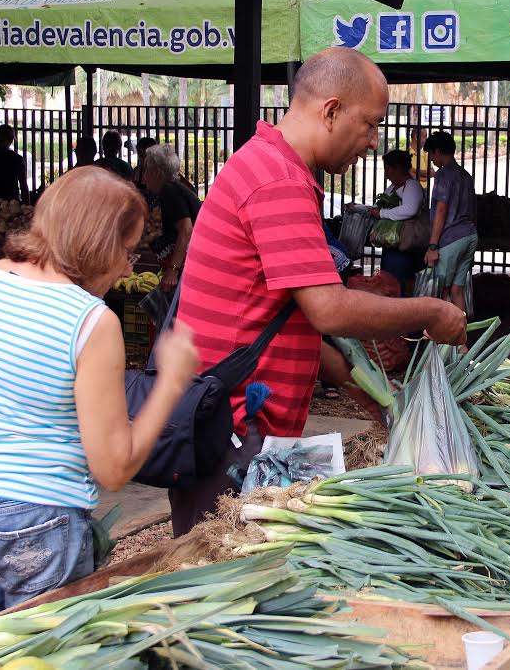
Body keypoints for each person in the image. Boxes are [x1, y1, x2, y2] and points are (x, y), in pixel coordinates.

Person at [174, 46, 466, 535]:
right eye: (371, 125)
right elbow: (328, 310)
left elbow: (294, 319)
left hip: (241, 427)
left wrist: (365, 390)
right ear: (330, 110)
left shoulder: (267, 165)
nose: (374, 142)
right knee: (220, 587)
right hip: (233, 434)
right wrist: (431, 312)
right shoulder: (278, 180)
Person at [0, 167, 198, 635]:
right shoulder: (89, 321)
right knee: (47, 652)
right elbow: (114, 467)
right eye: (126, 251)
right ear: (98, 243)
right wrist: (170, 385)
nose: (126, 268)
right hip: (36, 518)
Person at [424, 131, 478, 316]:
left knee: (442, 291)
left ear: (438, 151)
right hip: (470, 236)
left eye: (431, 154)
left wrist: (432, 246)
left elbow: (441, 210)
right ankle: (461, 343)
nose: (431, 159)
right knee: (457, 289)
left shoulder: (443, 174)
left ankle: (442, 342)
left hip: (451, 239)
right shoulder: (465, 175)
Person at [142, 144, 201, 291]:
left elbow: (186, 229)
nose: (144, 177)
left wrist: (173, 270)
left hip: (187, 268)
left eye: (146, 170)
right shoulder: (177, 187)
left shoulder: (169, 191)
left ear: (157, 172)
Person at [371, 149, 425, 288]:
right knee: (388, 282)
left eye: (388, 169)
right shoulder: (392, 188)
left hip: (405, 246)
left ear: (398, 168)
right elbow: (378, 206)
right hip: (391, 245)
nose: (386, 173)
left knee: (398, 282)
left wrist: (382, 213)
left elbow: (410, 209)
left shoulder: (412, 186)